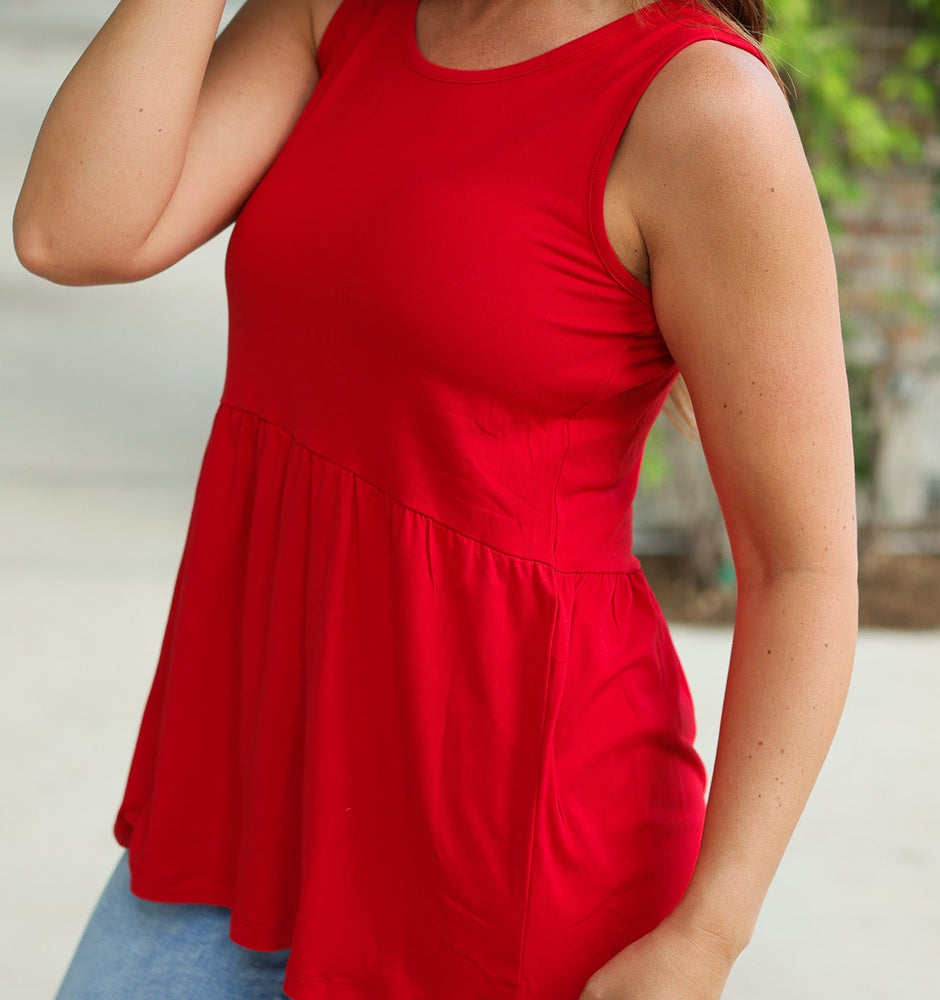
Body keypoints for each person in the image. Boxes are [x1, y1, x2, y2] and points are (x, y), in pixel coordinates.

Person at [13, 0, 859, 998]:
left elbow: (799, 565)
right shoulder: (339, 14)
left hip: (501, 869)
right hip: (247, 803)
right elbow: (71, 232)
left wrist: (707, 932)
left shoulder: (702, 108)